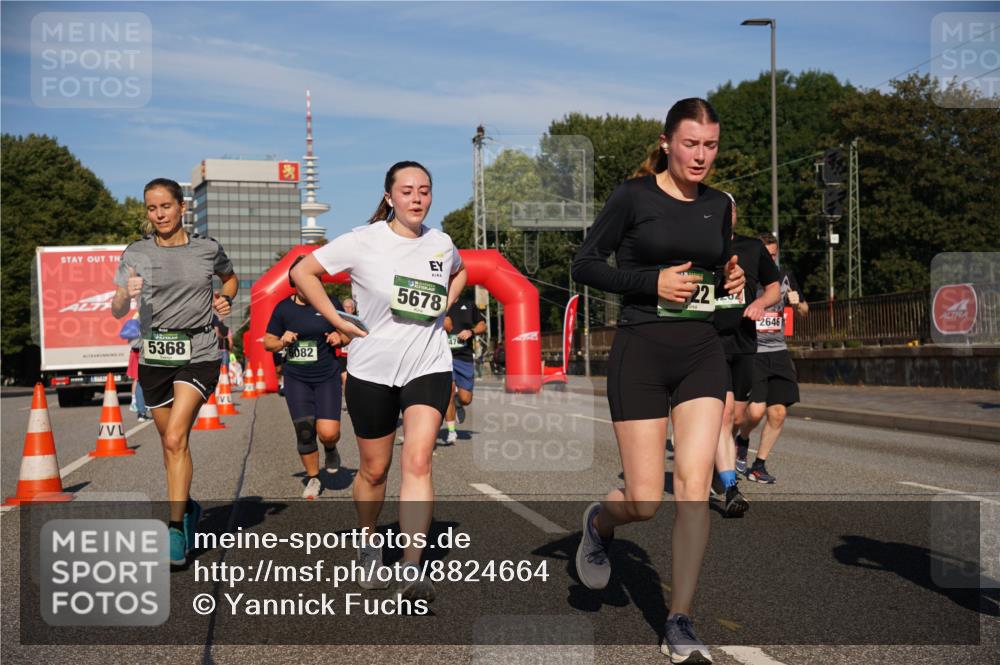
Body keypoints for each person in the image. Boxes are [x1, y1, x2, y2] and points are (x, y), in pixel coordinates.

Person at [571, 98, 745, 664]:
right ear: (668, 142)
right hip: (641, 350)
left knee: (694, 486)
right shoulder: (633, 195)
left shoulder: (719, 205)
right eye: (691, 144)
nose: (701, 155)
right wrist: (650, 283)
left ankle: (679, 619)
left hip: (702, 352)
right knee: (645, 500)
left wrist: (732, 277)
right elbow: (586, 264)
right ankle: (598, 523)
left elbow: (716, 273)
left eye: (711, 145)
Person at [291, 161, 466, 602]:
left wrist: (445, 303)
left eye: (424, 190)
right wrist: (335, 319)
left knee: (419, 461)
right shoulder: (363, 240)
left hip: (427, 363)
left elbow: (461, 271)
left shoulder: (442, 244)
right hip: (372, 369)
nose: (416, 198)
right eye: (406, 191)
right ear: (389, 197)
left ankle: (411, 565)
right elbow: (302, 273)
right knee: (374, 470)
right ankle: (369, 540)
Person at [111, 177, 237, 567]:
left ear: (182, 207)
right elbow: (117, 310)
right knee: (171, 443)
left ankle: (175, 527)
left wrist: (224, 299)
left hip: (199, 349)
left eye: (165, 206)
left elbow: (229, 279)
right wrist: (125, 293)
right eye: (151, 208)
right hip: (154, 355)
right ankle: (189, 507)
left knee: (176, 437)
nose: (159, 214)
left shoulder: (206, 249)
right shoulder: (136, 252)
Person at [711, 194, 781, 516]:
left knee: (737, 418)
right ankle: (728, 485)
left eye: (729, 210)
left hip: (743, 341)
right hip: (709, 340)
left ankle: (719, 460)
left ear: (735, 213)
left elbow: (774, 287)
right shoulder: (700, 248)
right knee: (724, 417)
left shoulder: (753, 247)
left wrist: (760, 304)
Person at [264, 255, 345, 499]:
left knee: (328, 432)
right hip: (296, 377)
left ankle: (330, 447)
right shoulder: (283, 308)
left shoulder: (330, 303)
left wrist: (340, 337)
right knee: (305, 430)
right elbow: (268, 342)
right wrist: (281, 341)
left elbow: (349, 332)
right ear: (294, 282)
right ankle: (313, 478)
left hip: (327, 376)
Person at [738, 234, 808, 484]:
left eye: (773, 254)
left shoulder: (785, 277)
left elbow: (804, 310)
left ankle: (758, 466)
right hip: (753, 352)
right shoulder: (747, 277)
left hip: (778, 351)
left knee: (777, 413)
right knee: (755, 412)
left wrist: (797, 304)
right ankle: (741, 441)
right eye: (765, 254)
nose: (770, 258)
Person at [442, 295, 486, 443]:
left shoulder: (468, 304)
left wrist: (471, 332)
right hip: (443, 357)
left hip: (463, 357)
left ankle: (459, 403)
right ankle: (451, 431)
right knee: (447, 391)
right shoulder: (438, 302)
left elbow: (482, 324)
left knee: (466, 398)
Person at [338, 297, 357, 401]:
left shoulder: (358, 321)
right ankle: (348, 401)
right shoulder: (338, 320)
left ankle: (353, 400)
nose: (347, 309)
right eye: (345, 307)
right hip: (342, 355)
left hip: (354, 354)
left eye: (349, 307)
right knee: (345, 378)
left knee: (353, 379)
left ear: (353, 309)